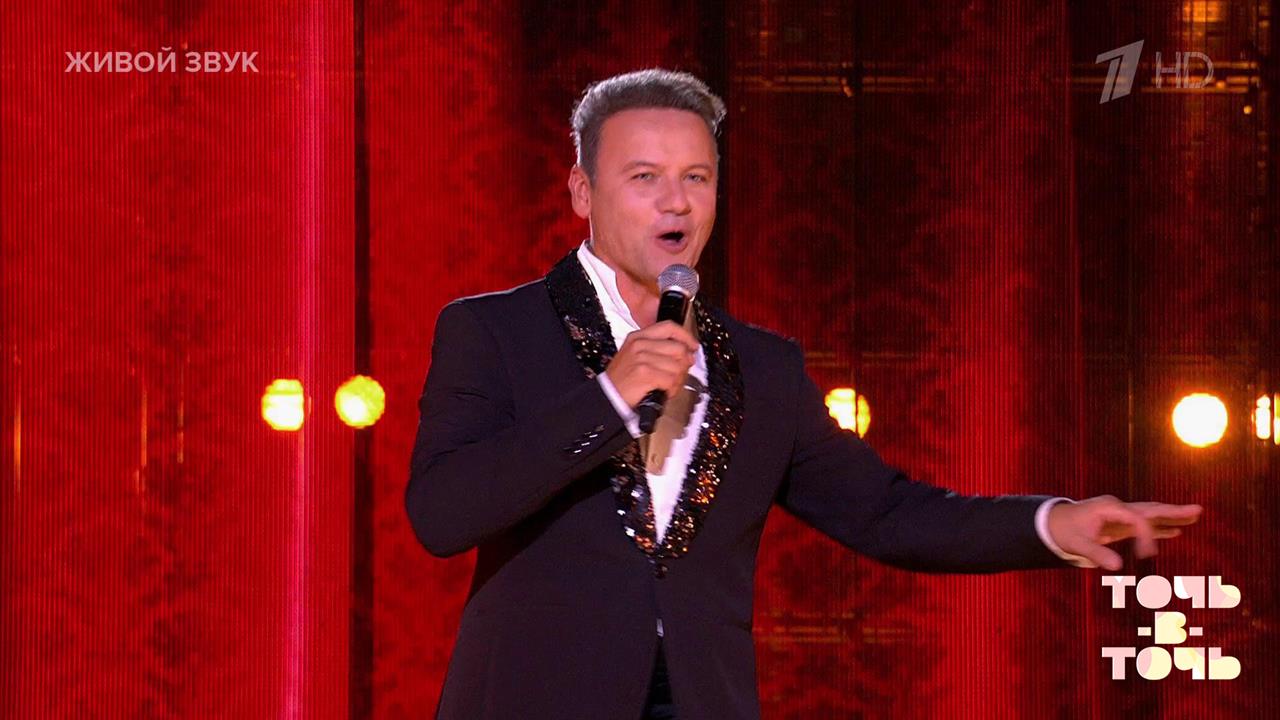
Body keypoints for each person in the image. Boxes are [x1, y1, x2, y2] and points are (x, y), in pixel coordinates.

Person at [405, 68, 1202, 720]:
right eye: (644, 178)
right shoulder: (495, 331)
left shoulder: (762, 367)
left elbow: (883, 511)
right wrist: (610, 399)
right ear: (583, 192)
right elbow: (443, 515)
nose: (677, 201)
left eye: (696, 177)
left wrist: (1050, 524)